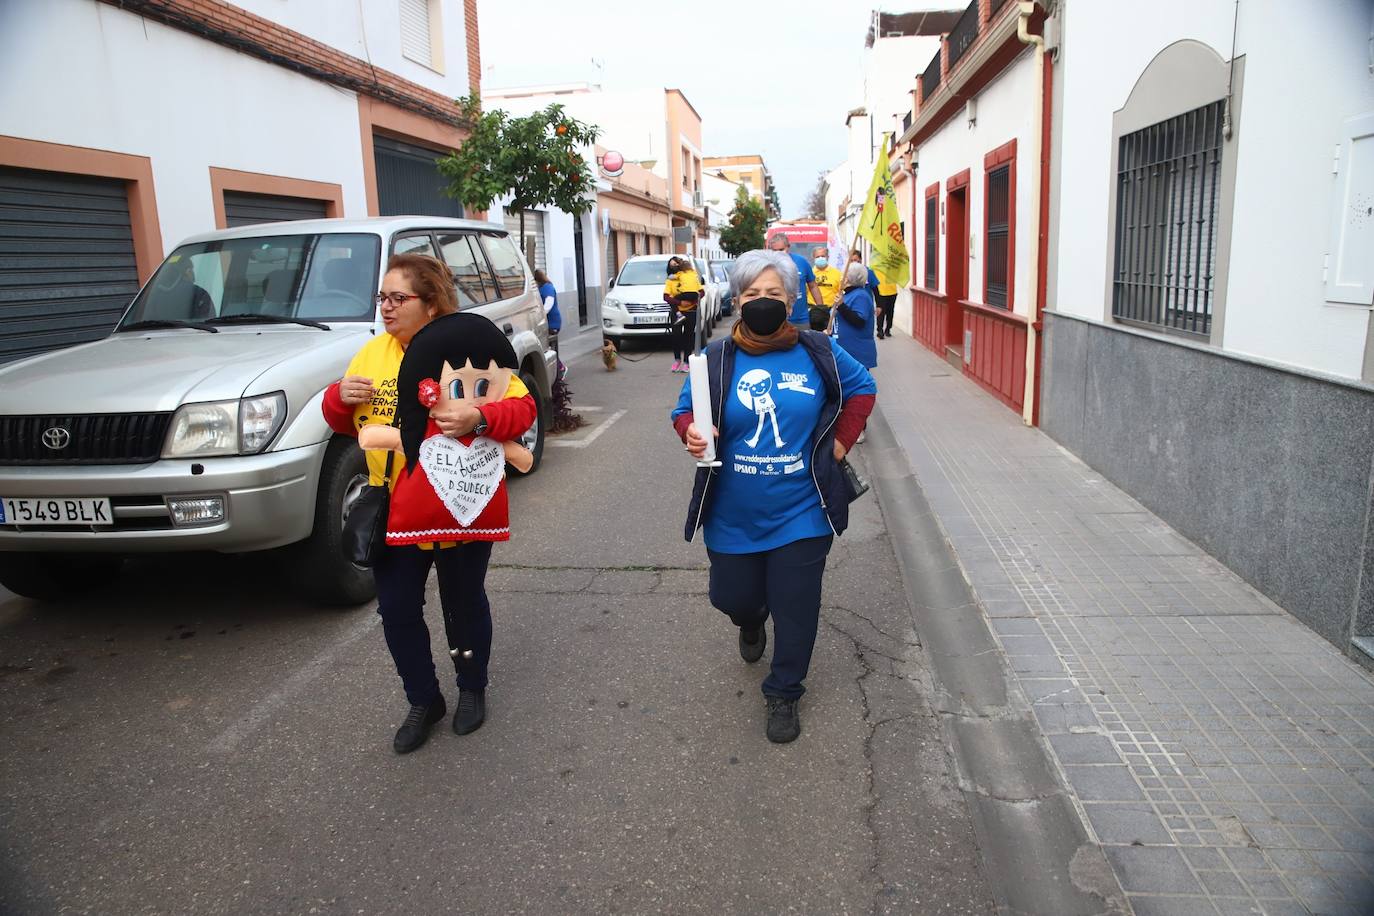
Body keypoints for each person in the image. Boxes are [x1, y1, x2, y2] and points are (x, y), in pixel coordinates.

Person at [322, 253, 537, 755]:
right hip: (394, 510)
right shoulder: (372, 354)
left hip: (459, 503)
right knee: (397, 609)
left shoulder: (465, 344)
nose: (387, 308)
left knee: (463, 603)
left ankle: (471, 688)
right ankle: (423, 699)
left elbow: (523, 406)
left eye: (399, 298)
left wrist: (478, 419)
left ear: (431, 301)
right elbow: (343, 424)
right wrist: (338, 397)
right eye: (383, 298)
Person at [670, 249, 877, 744]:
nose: (763, 302)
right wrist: (691, 432)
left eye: (774, 295)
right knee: (732, 597)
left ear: (791, 300)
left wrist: (841, 444)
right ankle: (749, 619)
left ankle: (784, 691)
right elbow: (684, 411)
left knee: (797, 607)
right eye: (752, 294)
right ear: (737, 301)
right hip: (731, 513)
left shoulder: (818, 351)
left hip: (802, 511)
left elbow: (863, 388)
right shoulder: (715, 358)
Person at [767, 233, 824, 329]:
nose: (778, 253)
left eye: (781, 250)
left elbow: (813, 286)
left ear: (788, 247)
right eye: (774, 250)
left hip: (801, 319)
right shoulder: (767, 265)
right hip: (776, 319)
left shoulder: (801, 262)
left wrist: (821, 309)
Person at [834, 262, 878, 370]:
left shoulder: (861, 296)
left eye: (842, 275)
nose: (840, 279)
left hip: (856, 352)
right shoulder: (846, 294)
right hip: (845, 351)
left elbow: (859, 321)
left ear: (849, 278)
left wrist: (841, 306)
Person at [664, 256, 703, 372]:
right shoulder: (670, 280)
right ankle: (677, 360)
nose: (674, 267)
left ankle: (687, 362)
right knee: (676, 336)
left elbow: (701, 292)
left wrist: (691, 302)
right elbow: (666, 297)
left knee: (689, 336)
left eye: (675, 264)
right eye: (671, 265)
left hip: (691, 312)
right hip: (677, 313)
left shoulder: (691, 276)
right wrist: (680, 303)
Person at [806, 247, 843, 331]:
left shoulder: (837, 274)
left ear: (828, 257)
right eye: (817, 256)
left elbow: (842, 292)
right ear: (813, 258)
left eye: (823, 256)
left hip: (831, 312)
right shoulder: (809, 273)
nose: (820, 258)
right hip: (813, 311)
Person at [533, 268, 562, 350]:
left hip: (552, 323)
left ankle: (557, 363)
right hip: (548, 323)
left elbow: (549, 304)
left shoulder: (547, 287)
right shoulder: (541, 288)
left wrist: (539, 316)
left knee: (550, 349)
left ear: (537, 279)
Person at [873, 267, 897, 340]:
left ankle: (888, 329)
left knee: (890, 312)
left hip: (892, 291)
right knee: (880, 312)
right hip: (880, 291)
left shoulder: (893, 265)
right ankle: (880, 330)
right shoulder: (876, 265)